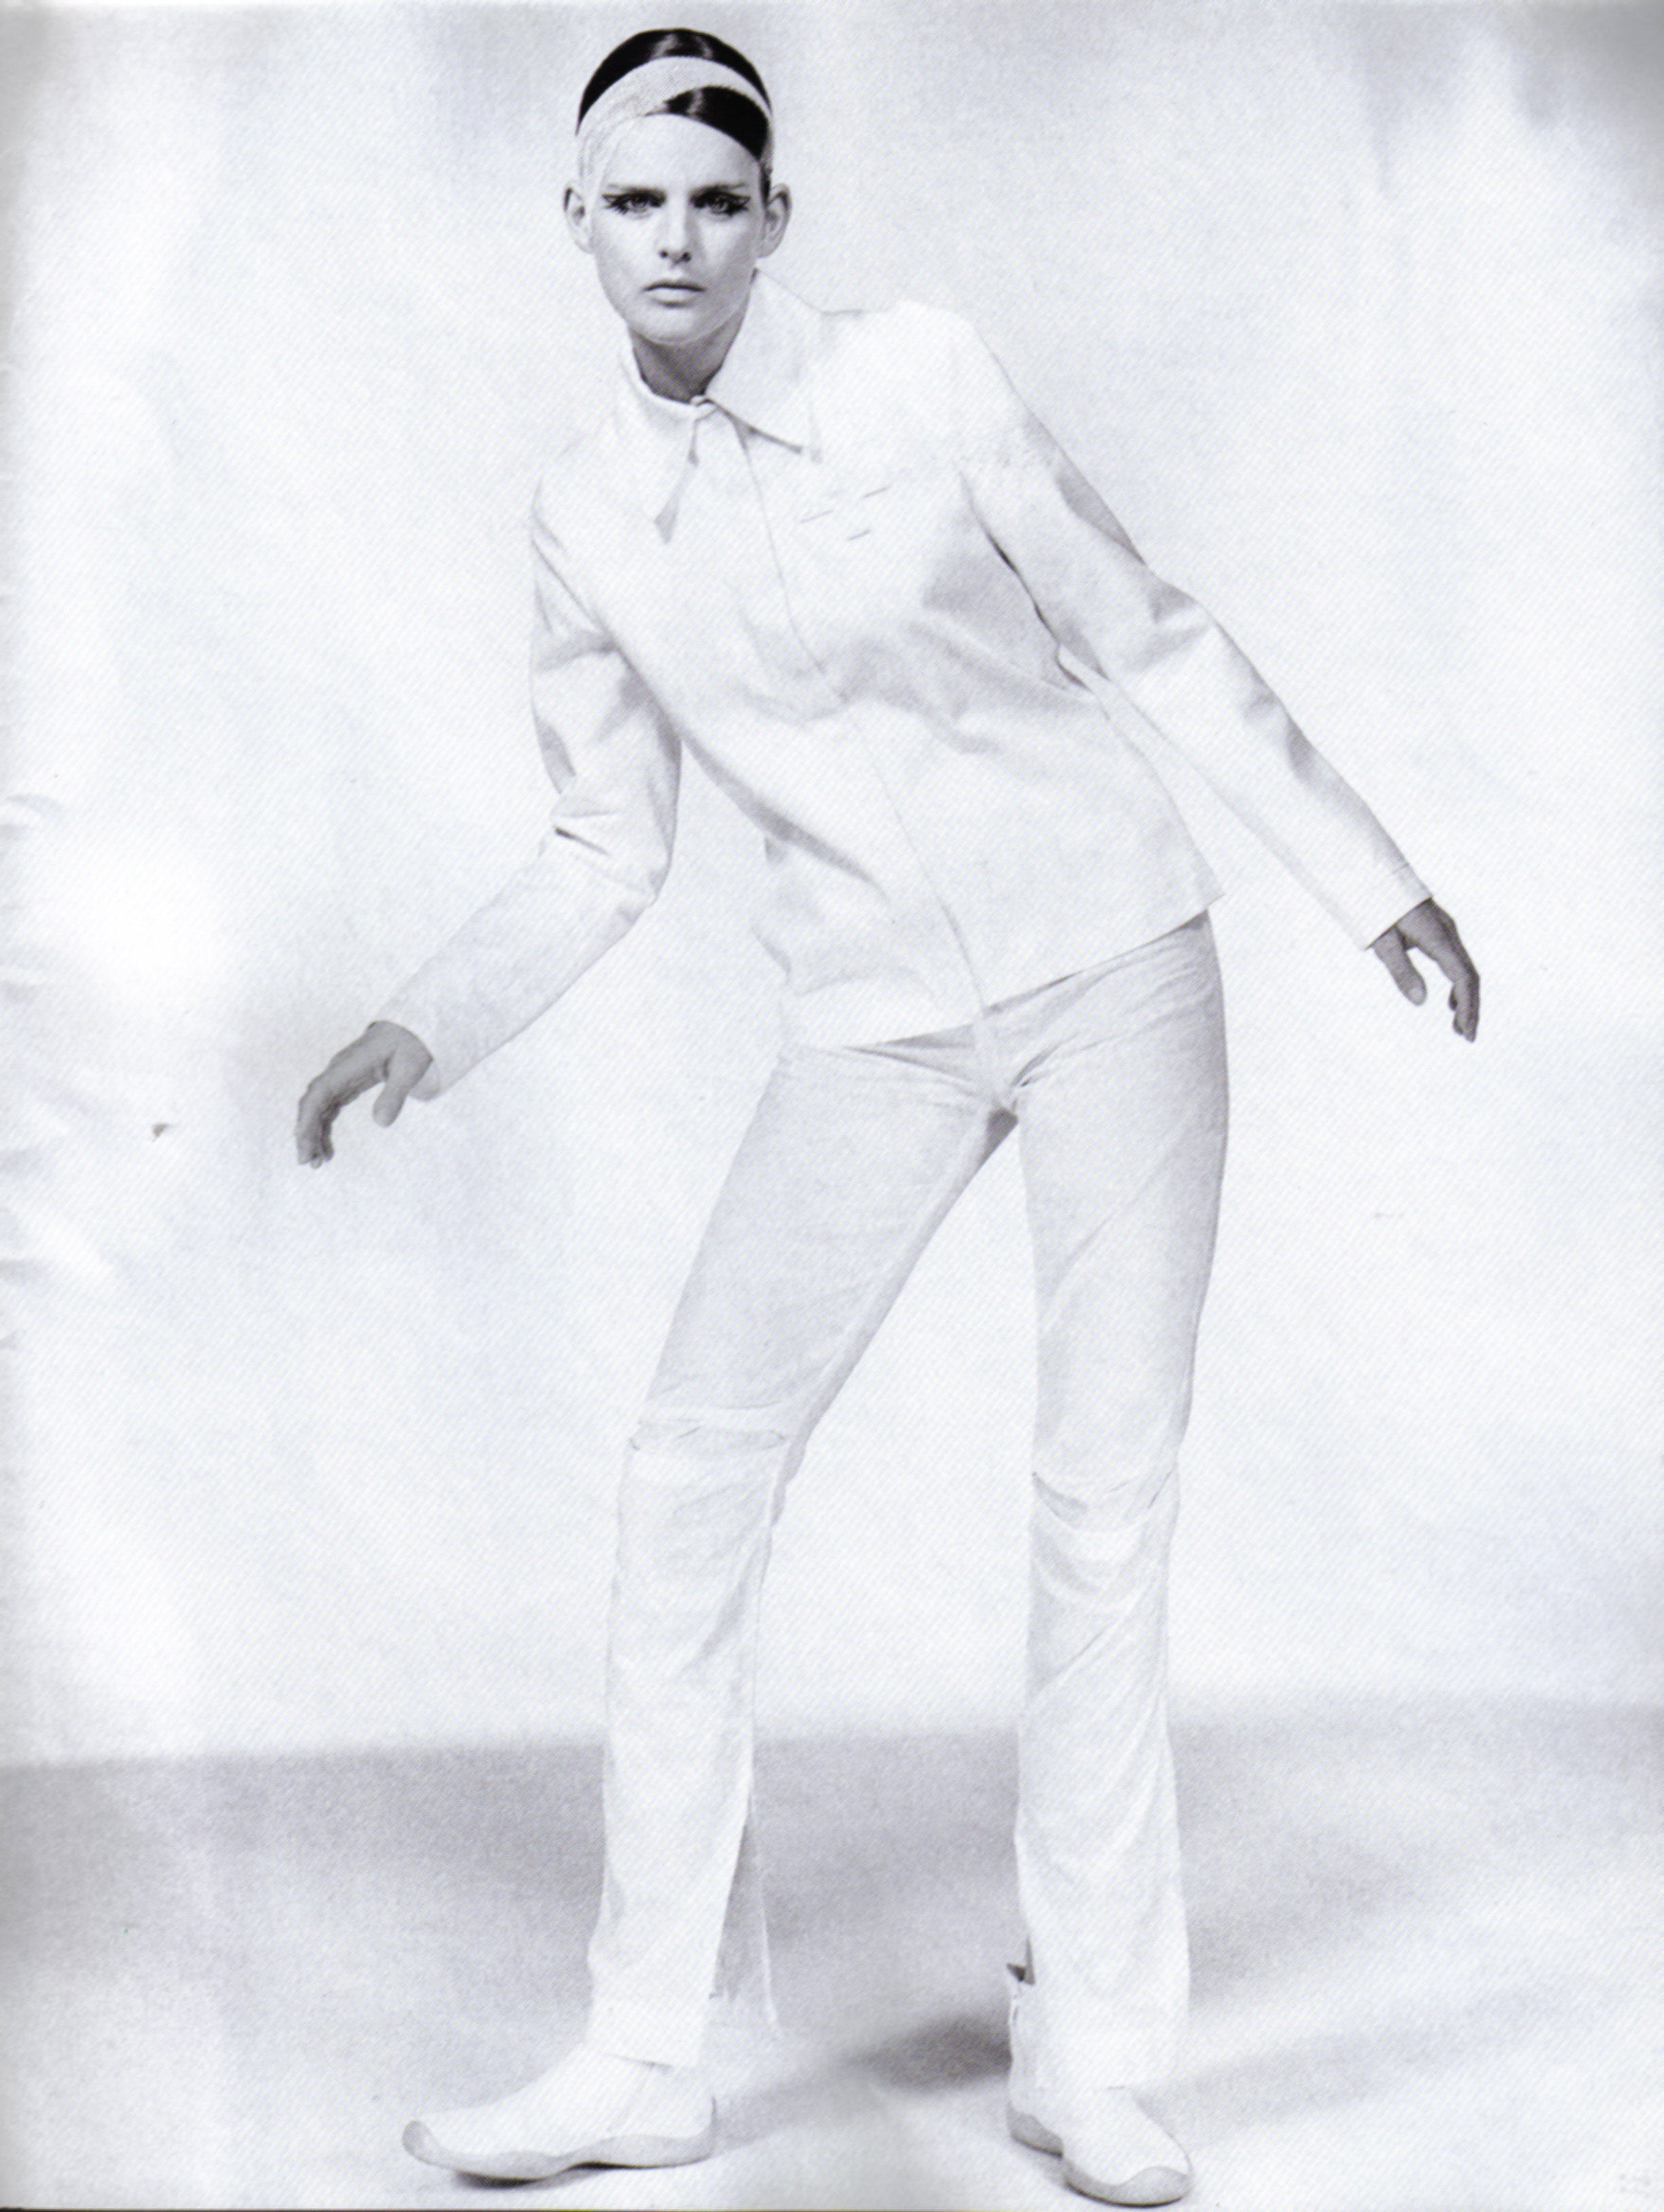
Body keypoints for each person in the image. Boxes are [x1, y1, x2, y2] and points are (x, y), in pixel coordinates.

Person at [296, 27, 1479, 2206]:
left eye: (710, 201)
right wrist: (422, 1024)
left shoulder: (920, 374)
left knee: (1100, 1501)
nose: (672, 240)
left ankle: (1090, 2057)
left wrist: (1370, 876)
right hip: (873, 1024)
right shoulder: (583, 512)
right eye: (631, 203)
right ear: (574, 223)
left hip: (1116, 962)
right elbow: (604, 845)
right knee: (688, 1476)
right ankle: (640, 2055)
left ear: (774, 219)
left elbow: (1144, 630)